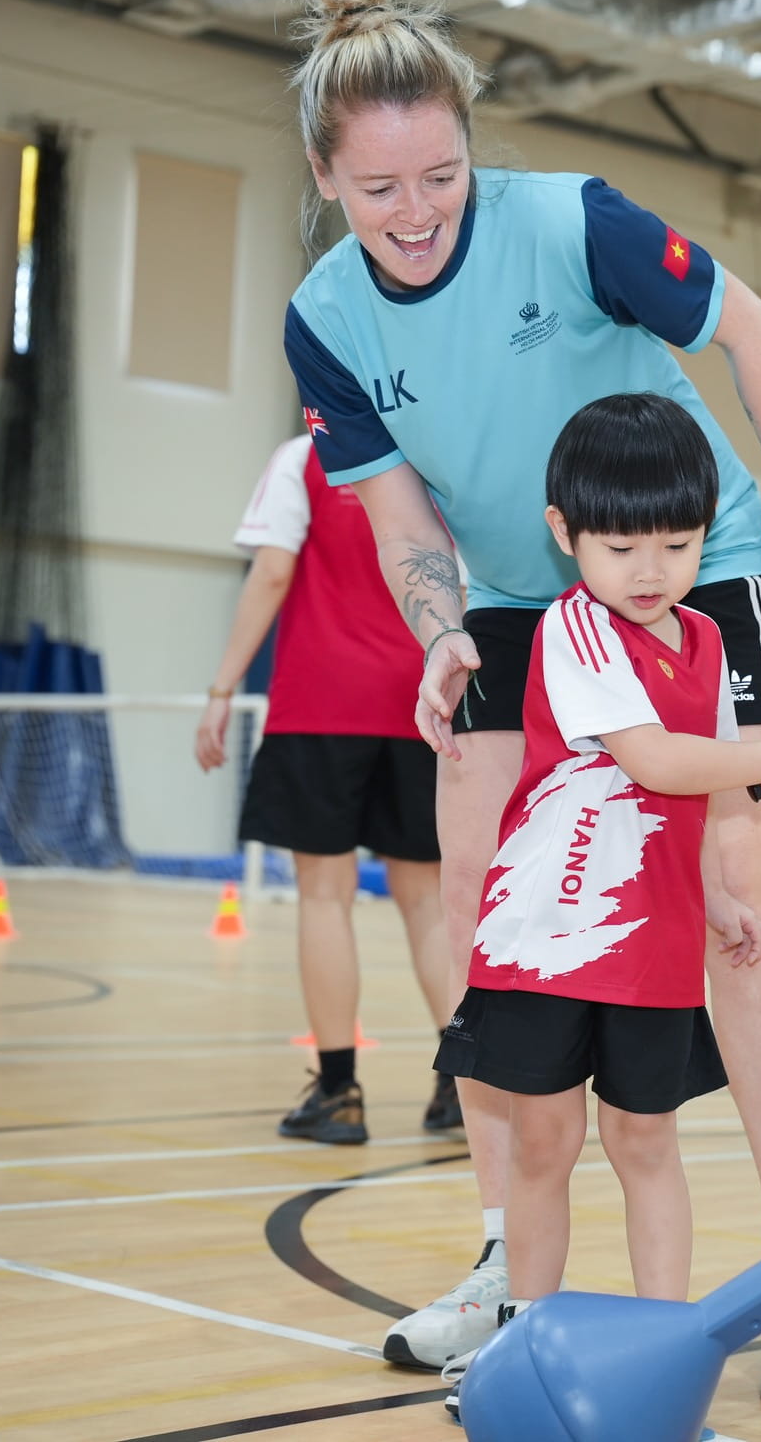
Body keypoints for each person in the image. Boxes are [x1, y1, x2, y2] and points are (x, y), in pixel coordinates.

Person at [282, 0, 761, 1404]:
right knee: (500, 916)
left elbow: (754, 328)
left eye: (440, 173)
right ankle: (507, 1252)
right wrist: (443, 632)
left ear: (475, 147)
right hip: (517, 593)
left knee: (737, 899)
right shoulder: (325, 321)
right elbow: (404, 516)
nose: (415, 212)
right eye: (378, 190)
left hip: (697, 557)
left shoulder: (574, 220)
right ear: (324, 178)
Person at [431, 394, 761, 1422]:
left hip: (650, 946)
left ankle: (669, 1358)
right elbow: (651, 759)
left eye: (678, 541)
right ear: (562, 535)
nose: (651, 569)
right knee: (542, 1143)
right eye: (620, 545)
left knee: (646, 1145)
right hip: (545, 937)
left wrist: (712, 895)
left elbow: (702, 794)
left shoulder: (706, 640)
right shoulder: (572, 632)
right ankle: (524, 1349)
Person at [196, 434, 454, 1144]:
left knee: (323, 893)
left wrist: (222, 688)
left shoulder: (302, 460)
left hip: (321, 701)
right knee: (427, 899)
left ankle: (339, 1091)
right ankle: (461, 1087)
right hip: (419, 700)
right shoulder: (435, 458)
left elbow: (273, 573)